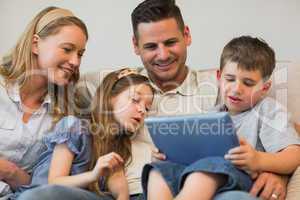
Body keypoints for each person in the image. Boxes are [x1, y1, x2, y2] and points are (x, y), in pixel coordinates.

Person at [17, 0, 291, 199]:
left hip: (204, 186)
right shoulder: (109, 83)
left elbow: (271, 124)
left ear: (186, 36)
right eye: (150, 46)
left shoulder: (221, 87)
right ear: (135, 46)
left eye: (170, 42)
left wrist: (274, 169)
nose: (162, 55)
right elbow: (50, 83)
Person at [143, 35, 300, 200]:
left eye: (248, 83)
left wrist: (258, 159)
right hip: (205, 181)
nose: (236, 89)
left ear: (264, 88)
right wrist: (167, 155)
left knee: (207, 169)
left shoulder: (268, 110)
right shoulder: (211, 115)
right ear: (219, 77)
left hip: (241, 178)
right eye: (230, 79)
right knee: (159, 170)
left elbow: (294, 154)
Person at [17, 68, 154, 200]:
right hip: (45, 194)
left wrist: (122, 193)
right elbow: (54, 182)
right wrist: (94, 175)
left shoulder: (120, 148)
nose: (142, 110)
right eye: (135, 100)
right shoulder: (74, 127)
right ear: (109, 97)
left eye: (147, 108)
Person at [0, 6, 88, 199]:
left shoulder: (67, 114)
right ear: (35, 44)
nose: (75, 61)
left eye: (80, 54)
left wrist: (10, 171)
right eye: (67, 49)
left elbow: (41, 186)